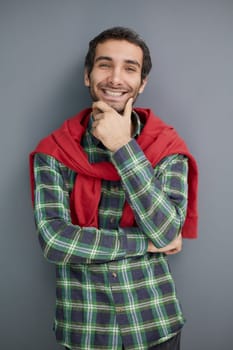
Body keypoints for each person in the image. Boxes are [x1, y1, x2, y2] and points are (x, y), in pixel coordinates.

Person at [29, 27, 198, 350]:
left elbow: (166, 230)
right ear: (87, 75)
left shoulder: (166, 147)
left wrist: (122, 145)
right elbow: (54, 241)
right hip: (85, 328)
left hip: (155, 324)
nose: (116, 78)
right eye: (105, 65)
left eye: (129, 68)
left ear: (142, 83)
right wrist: (145, 243)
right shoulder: (54, 151)